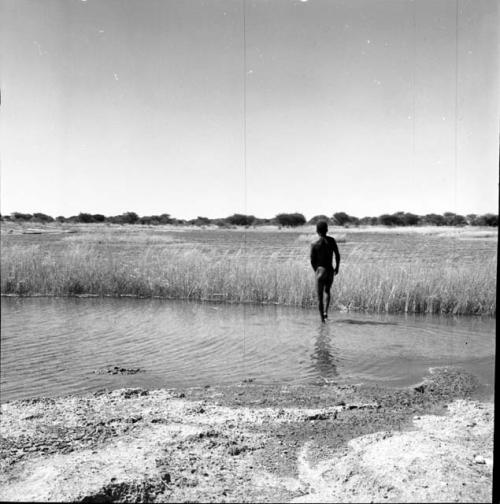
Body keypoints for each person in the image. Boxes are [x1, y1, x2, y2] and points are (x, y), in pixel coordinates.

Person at [310, 220, 340, 322]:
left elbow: (312, 260)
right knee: (327, 291)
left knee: (319, 297)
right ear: (327, 230)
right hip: (330, 271)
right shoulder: (332, 241)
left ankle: (322, 321)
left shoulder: (314, 243)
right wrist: (337, 268)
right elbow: (337, 255)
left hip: (320, 272)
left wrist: (316, 271)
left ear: (317, 230)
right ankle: (326, 313)